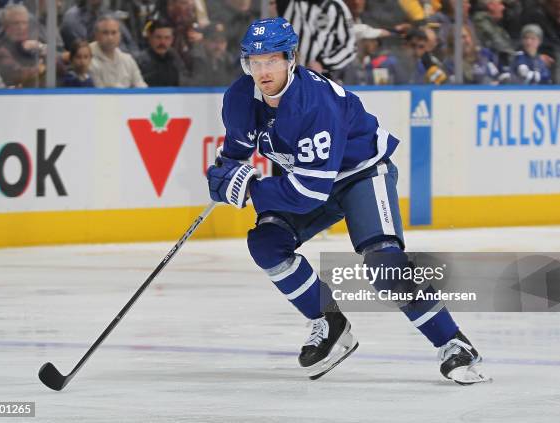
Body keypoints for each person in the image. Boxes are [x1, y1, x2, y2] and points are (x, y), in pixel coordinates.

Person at [206, 17, 489, 384]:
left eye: (272, 60)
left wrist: (247, 190)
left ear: (291, 58)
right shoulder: (240, 97)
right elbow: (236, 155)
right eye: (254, 62)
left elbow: (310, 193)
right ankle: (329, 322)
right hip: (311, 179)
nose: (263, 70)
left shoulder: (313, 103)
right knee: (266, 243)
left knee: (384, 265)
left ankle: (454, 343)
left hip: (361, 174)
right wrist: (222, 175)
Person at [89, 15, 147, 88]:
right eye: (105, 33)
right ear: (96, 35)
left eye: (114, 33)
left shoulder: (128, 60)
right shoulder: (87, 59)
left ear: (120, 35)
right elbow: (98, 94)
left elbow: (141, 88)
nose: (110, 37)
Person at [136, 19, 185, 87]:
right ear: (150, 38)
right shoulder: (139, 61)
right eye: (158, 37)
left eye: (167, 38)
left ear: (172, 39)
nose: (162, 42)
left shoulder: (175, 58)